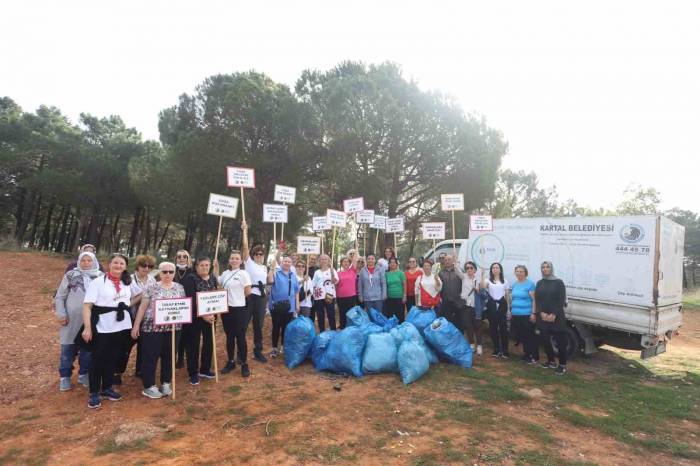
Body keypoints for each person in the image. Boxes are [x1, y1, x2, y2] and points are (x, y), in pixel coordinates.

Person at [81, 253, 138, 409]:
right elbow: (87, 306)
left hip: (121, 326)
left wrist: (125, 305)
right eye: (115, 263)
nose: (118, 266)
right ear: (109, 264)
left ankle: (106, 388)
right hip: (102, 326)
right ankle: (94, 392)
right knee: (98, 358)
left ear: (125, 266)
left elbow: (140, 294)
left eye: (121, 263)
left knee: (113, 358)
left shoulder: (128, 282)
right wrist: (87, 327)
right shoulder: (98, 282)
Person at [130, 262, 184, 399]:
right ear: (159, 273)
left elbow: (183, 307)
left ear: (174, 273)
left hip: (173, 329)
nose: (167, 274)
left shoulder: (180, 288)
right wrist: (136, 326)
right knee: (150, 357)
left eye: (171, 272)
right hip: (151, 328)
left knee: (170, 356)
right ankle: (149, 386)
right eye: (164, 272)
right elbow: (142, 307)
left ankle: (166, 383)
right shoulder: (151, 287)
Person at [55, 251, 102, 391]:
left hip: (91, 320)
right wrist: (61, 314)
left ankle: (84, 374)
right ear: (79, 261)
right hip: (71, 319)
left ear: (94, 262)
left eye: (89, 260)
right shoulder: (70, 275)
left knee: (87, 350)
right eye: (83, 260)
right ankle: (65, 377)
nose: (86, 263)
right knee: (67, 349)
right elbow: (60, 296)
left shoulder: (101, 277)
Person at [114, 254, 155, 384]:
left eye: (150, 266)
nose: (146, 268)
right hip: (130, 317)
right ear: (138, 266)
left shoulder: (152, 280)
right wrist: (137, 299)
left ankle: (140, 370)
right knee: (125, 347)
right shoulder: (129, 279)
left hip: (147, 319)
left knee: (144, 347)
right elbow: (124, 300)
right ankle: (117, 372)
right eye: (144, 265)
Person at [181, 256, 217, 385]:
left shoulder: (213, 278)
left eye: (207, 265)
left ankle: (205, 369)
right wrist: (203, 315)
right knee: (193, 344)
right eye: (202, 265)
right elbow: (191, 299)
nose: (205, 267)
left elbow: (216, 296)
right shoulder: (190, 279)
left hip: (211, 316)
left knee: (209, 342)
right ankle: (193, 373)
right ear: (196, 266)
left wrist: (214, 312)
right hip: (194, 317)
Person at [218, 250, 253, 378]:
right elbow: (219, 282)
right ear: (229, 260)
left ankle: (244, 364)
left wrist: (237, 299)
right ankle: (231, 361)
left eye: (237, 258)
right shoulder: (225, 273)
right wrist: (216, 268)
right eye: (232, 258)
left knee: (241, 337)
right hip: (227, 310)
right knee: (229, 337)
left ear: (240, 261)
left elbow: (248, 291)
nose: (234, 260)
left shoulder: (244, 273)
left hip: (239, 309)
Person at [241, 221, 269, 363]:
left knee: (258, 326)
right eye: (257, 253)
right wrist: (245, 231)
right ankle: (240, 354)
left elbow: (269, 281)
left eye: (261, 254)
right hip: (249, 296)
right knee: (244, 324)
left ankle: (258, 351)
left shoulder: (264, 268)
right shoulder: (249, 263)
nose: (259, 255)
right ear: (253, 255)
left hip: (261, 298)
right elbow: (245, 248)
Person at [535, 261, 569, 375]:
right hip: (543, 317)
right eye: (543, 267)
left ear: (551, 268)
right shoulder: (539, 283)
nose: (545, 269)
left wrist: (553, 314)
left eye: (547, 267)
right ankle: (551, 361)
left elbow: (561, 299)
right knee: (545, 341)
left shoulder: (559, 282)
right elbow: (538, 300)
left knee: (560, 343)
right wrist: (541, 313)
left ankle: (562, 365)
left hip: (557, 317)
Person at [267, 255, 300, 358]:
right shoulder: (276, 272)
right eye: (285, 261)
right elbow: (270, 281)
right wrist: (272, 268)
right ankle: (274, 348)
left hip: (289, 306)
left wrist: (297, 304)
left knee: (286, 327)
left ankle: (283, 346)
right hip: (276, 305)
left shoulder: (293, 275)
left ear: (291, 264)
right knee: (276, 327)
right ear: (281, 262)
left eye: (289, 262)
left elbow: (296, 291)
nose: (287, 263)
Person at [454, 261, 483, 355]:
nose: (469, 269)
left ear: (475, 269)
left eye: (471, 267)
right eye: (467, 268)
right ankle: (471, 344)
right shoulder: (464, 277)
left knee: (477, 326)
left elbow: (483, 293)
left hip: (476, 306)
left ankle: (479, 345)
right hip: (466, 305)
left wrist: (478, 290)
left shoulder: (479, 279)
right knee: (468, 325)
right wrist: (455, 261)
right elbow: (457, 270)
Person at [511, 265, 538, 364]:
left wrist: (533, 313)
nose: (519, 273)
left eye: (521, 271)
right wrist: (510, 311)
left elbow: (534, 300)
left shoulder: (530, 284)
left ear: (525, 273)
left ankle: (533, 356)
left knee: (529, 336)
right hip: (516, 315)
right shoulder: (514, 284)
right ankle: (526, 355)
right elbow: (513, 299)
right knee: (521, 336)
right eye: (517, 271)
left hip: (526, 314)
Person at [483, 262, 510, 358]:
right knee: (493, 327)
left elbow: (507, 296)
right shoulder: (488, 280)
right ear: (491, 270)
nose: (495, 269)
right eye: (493, 267)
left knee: (503, 328)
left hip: (502, 305)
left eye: (497, 267)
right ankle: (496, 349)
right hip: (492, 305)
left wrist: (508, 310)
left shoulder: (505, 281)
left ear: (500, 269)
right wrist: (482, 275)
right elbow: (482, 286)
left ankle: (505, 350)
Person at [173, 249, 192, 368]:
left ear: (188, 258)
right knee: (174, 334)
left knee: (184, 334)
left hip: (187, 307)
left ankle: (181, 357)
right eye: (179, 256)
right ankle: (172, 357)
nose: (182, 258)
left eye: (184, 256)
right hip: (172, 307)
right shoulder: (170, 270)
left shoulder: (192, 271)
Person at [311, 254, 339, 331]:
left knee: (331, 314)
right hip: (319, 296)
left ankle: (333, 331)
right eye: (322, 259)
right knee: (320, 315)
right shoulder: (317, 272)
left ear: (328, 261)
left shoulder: (332, 270)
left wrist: (332, 275)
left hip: (329, 295)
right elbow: (313, 284)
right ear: (319, 261)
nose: (323, 261)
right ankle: (322, 332)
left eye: (325, 259)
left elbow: (335, 281)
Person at [438, 255, 465, 332]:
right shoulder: (441, 273)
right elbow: (439, 287)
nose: (447, 261)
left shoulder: (458, 271)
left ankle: (460, 339)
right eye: (445, 260)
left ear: (453, 260)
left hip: (458, 301)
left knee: (459, 322)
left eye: (449, 259)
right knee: (447, 322)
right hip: (446, 302)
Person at [335, 253, 359, 328]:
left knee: (351, 313)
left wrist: (356, 248)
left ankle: (351, 328)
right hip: (340, 297)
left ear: (350, 263)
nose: (346, 263)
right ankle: (342, 328)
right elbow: (335, 284)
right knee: (342, 313)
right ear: (341, 263)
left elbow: (355, 259)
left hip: (351, 296)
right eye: (344, 261)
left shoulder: (353, 270)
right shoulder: (337, 273)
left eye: (347, 261)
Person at [384, 257, 407, 322]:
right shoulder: (386, 274)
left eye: (394, 262)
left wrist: (404, 296)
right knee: (391, 315)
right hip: (389, 298)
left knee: (400, 315)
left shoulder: (401, 273)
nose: (392, 264)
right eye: (391, 262)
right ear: (389, 264)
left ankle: (400, 330)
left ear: (397, 264)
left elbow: (404, 285)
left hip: (399, 298)